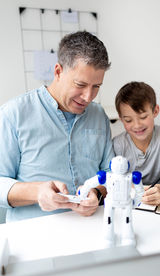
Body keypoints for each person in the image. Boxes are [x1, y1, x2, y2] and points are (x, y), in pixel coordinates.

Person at [0, 31, 114, 222]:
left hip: (93, 229)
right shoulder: (14, 114)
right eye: (80, 84)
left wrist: (97, 193)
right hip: (34, 237)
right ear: (58, 72)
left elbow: (111, 174)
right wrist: (36, 192)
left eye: (96, 87)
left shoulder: (98, 115)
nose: (88, 97)